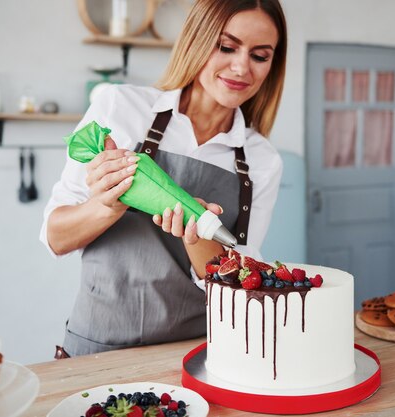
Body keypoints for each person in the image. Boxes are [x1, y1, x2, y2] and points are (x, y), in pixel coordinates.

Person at [39, 0, 287, 357]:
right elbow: (55, 238)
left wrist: (196, 235)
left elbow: (237, 281)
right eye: (227, 46)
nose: (241, 67)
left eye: (260, 56)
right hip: (96, 350)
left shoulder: (262, 160)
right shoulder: (120, 108)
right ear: (197, 40)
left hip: (196, 353)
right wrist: (106, 205)